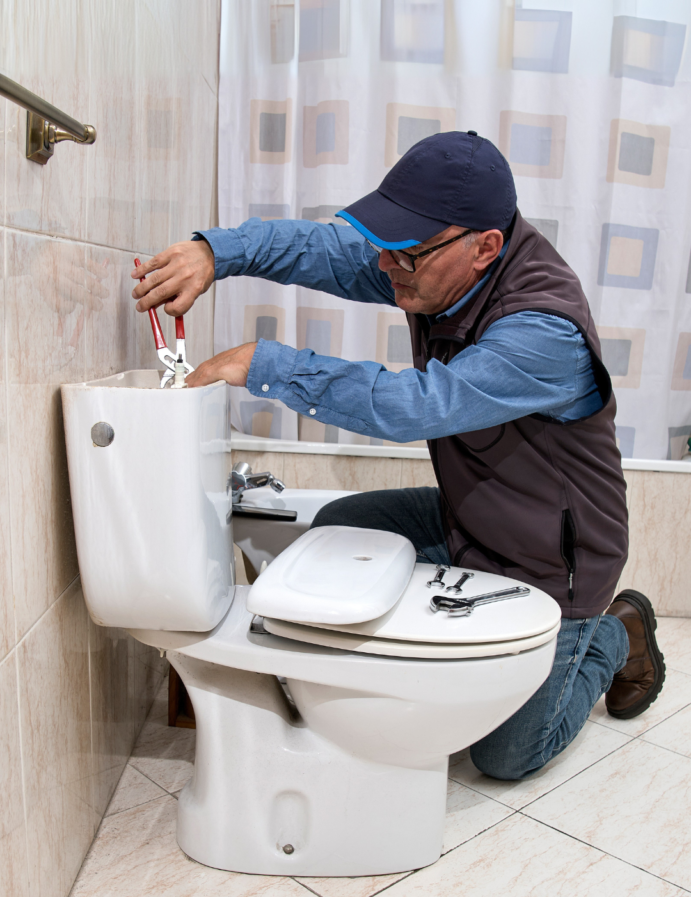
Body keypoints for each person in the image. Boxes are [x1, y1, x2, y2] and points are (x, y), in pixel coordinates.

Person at [131, 130, 665, 780]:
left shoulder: (542, 332)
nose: (386, 268)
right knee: (335, 531)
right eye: (388, 250)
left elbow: (416, 406)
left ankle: (614, 633)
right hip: (473, 515)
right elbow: (325, 250)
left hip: (555, 562)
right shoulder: (435, 267)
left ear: (484, 248)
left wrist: (264, 364)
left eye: (404, 256)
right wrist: (215, 252)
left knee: (504, 757)